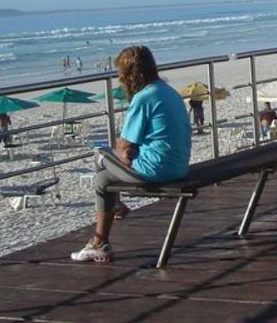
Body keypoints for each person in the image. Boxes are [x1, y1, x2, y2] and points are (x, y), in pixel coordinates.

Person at [71, 45, 191, 263]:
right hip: (179, 165)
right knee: (103, 178)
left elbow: (122, 143)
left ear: (128, 74)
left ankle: (101, 239)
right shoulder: (167, 91)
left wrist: (126, 150)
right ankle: (107, 223)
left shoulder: (144, 97)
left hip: (157, 169)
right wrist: (128, 150)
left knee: (100, 155)